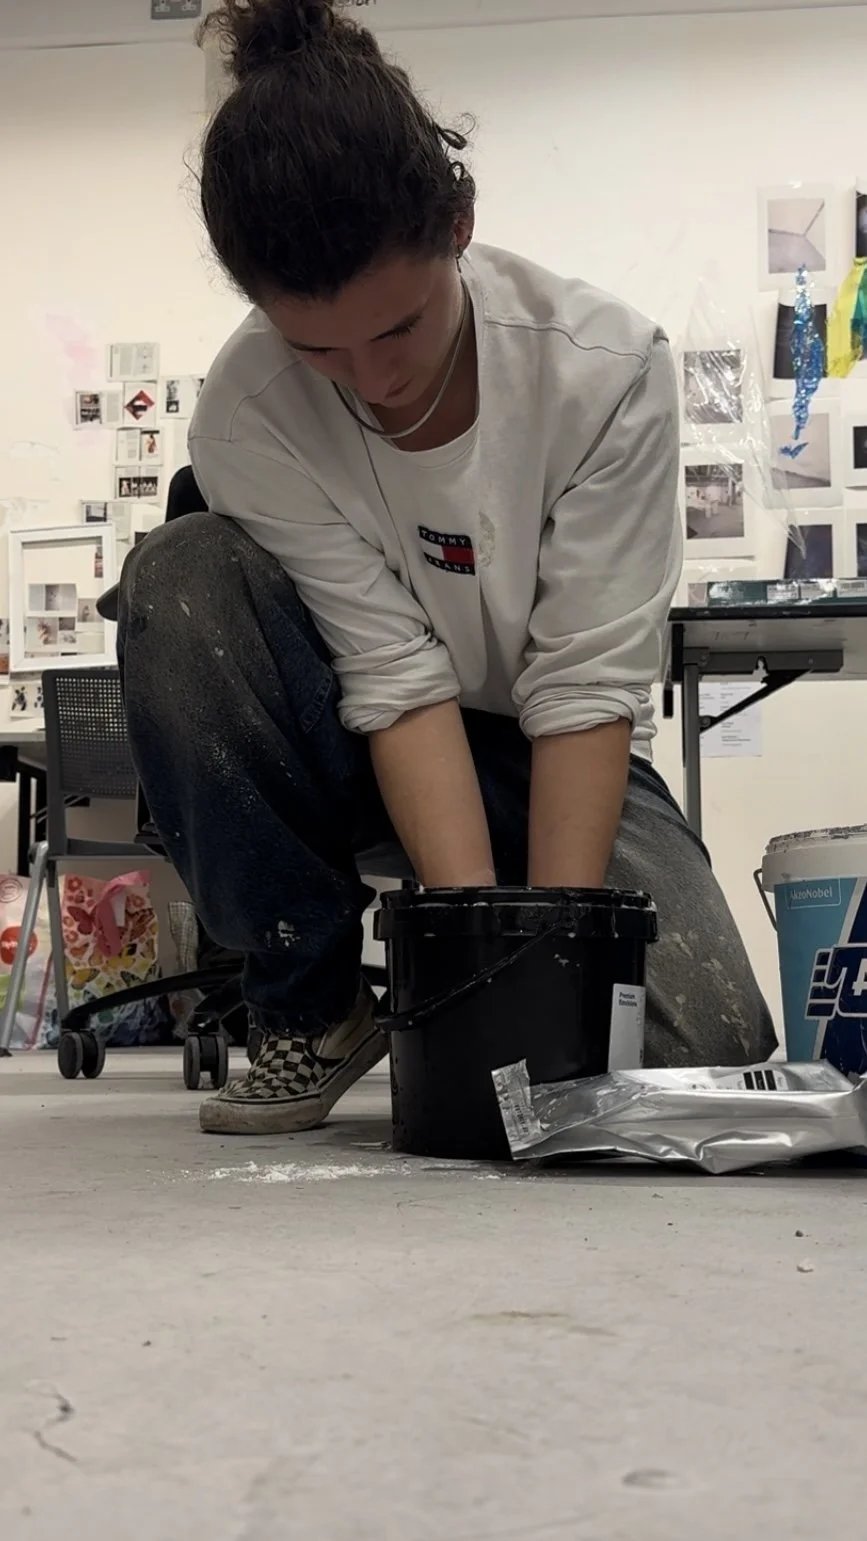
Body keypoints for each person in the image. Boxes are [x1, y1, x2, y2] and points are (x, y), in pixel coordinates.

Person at [118, 0, 775, 1137]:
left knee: (701, 1050)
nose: (368, 380)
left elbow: (581, 687)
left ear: (460, 222)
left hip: (539, 743)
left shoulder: (604, 373)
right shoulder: (246, 412)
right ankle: (310, 1002)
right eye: (316, 345)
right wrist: (469, 956)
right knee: (180, 576)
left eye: (400, 328)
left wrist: (541, 985)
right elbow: (391, 671)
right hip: (353, 738)